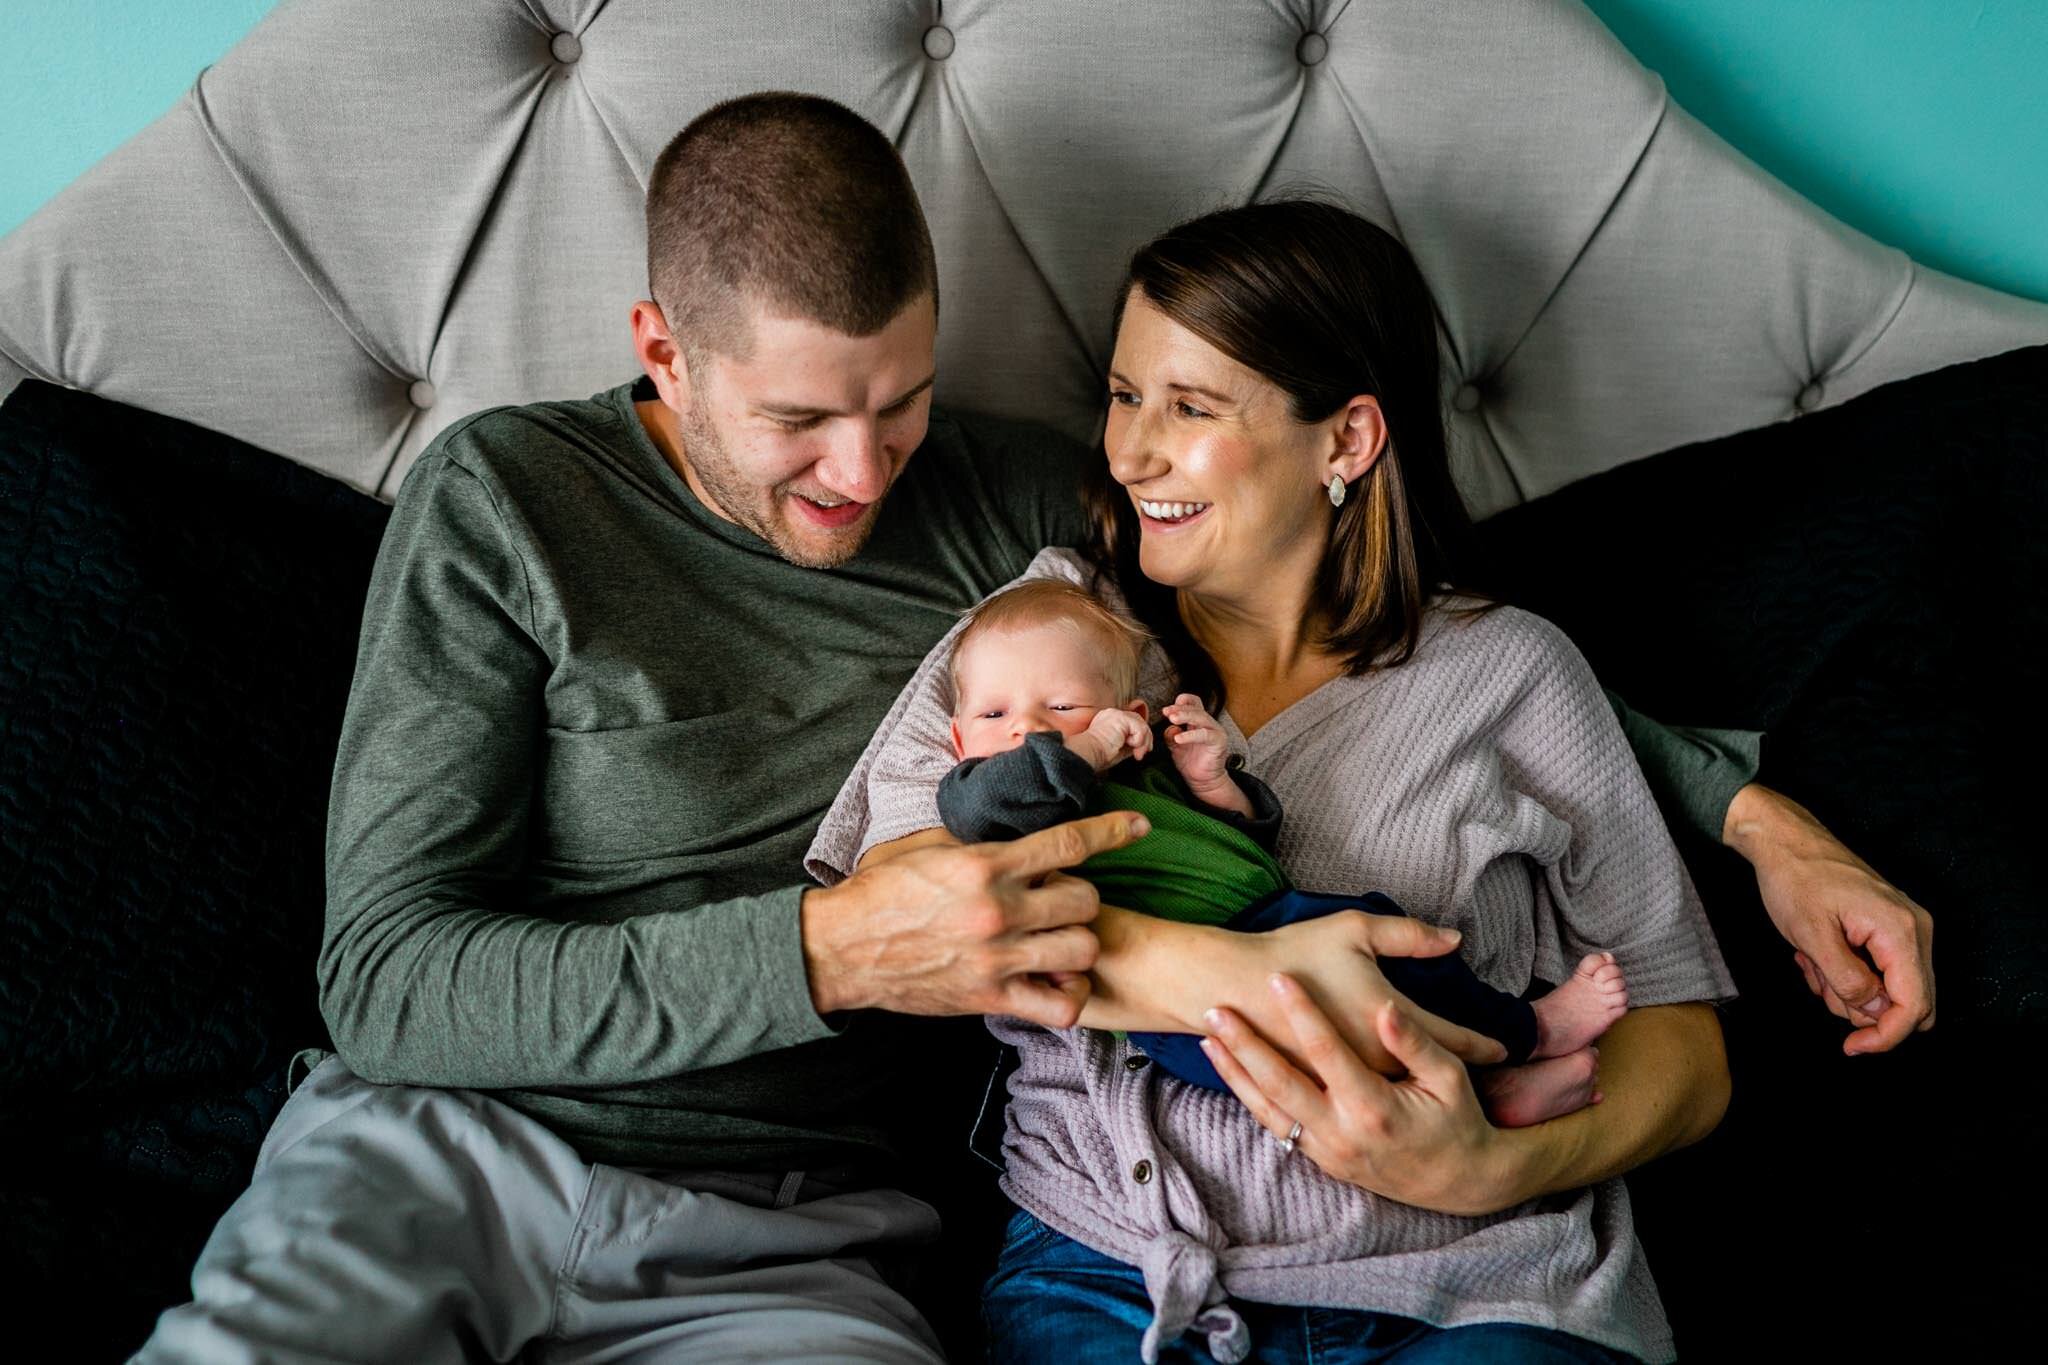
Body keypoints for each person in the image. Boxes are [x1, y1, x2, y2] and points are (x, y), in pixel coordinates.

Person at [131, 92, 1933, 1363]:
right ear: (662, 355)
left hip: (797, 1229)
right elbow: (384, 980)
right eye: (800, 427)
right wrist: (832, 947)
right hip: (442, 1147)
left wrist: (1753, 814)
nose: (860, 478)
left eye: (902, 404)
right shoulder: (510, 501)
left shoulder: (1012, 513)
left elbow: (1388, 645)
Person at [807, 199, 1740, 1363]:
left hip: (1473, 1280)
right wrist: (1233, 973)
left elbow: (1682, 1040)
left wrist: (1497, 1161)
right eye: (1124, 394)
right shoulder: (1048, 630)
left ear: (1345, 442)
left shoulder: (1510, 671)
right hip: (1116, 1273)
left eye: (1190, 409)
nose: (1129, 450)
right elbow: (906, 895)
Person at [934, 577, 1629, 1127]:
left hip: (1271, 914)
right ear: (961, 743)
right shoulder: (985, 798)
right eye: (994, 714)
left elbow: (1242, 845)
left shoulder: (1141, 780)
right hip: (1170, 999)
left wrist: (1214, 782)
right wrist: (1084, 742)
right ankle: (1527, 1035)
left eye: (1061, 707)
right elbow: (1003, 798)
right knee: (1303, 1042)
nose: (1027, 730)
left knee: (1393, 949)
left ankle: (1493, 1072)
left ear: (1131, 719)